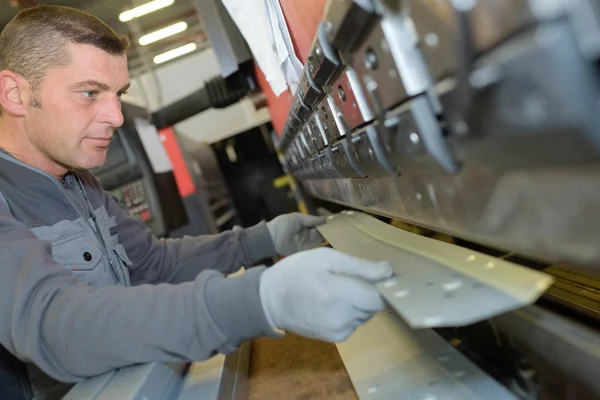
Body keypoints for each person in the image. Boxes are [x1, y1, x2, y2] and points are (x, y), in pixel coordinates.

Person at [0, 5, 394, 399]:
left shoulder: (81, 185)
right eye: (90, 93)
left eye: (118, 95)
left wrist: (265, 240)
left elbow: (156, 264)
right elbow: (55, 325)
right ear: (15, 94)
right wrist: (258, 300)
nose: (116, 117)